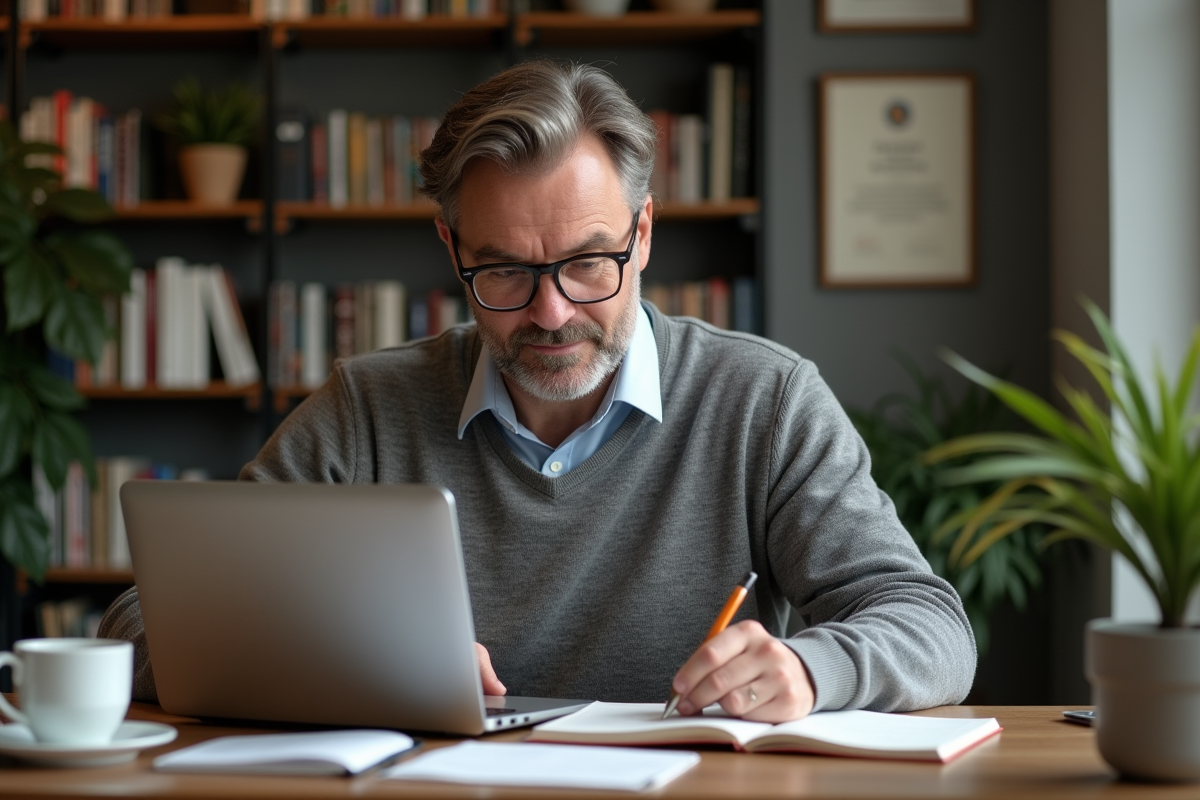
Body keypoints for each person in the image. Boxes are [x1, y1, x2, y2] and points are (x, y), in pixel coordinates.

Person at [101, 60, 975, 723]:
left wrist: (813, 670)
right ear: (452, 250)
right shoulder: (369, 408)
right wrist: (323, 658)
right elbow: (143, 618)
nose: (552, 313)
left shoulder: (766, 401)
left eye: (589, 262)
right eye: (507, 271)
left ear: (643, 232)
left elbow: (929, 625)